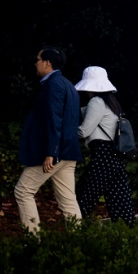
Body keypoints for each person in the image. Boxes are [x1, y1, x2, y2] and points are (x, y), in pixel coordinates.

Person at [14, 47, 84, 232]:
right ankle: (80, 241)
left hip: (55, 153)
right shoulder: (68, 85)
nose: (35, 63)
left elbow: (55, 120)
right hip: (69, 151)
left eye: (38, 59)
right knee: (68, 201)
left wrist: (51, 153)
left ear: (47, 63)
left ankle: (33, 241)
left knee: (23, 191)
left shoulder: (54, 85)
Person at [75, 66, 136, 226]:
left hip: (102, 157)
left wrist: (63, 133)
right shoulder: (112, 103)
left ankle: (79, 232)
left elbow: (84, 131)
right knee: (121, 204)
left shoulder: (96, 102)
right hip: (115, 158)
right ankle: (127, 236)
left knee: (82, 197)